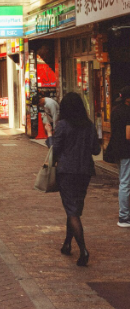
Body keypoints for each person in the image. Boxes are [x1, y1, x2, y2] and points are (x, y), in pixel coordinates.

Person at [45, 92, 100, 266]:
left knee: (72, 211)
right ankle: (67, 244)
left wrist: (49, 134)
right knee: (74, 209)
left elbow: (55, 148)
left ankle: (83, 249)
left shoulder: (62, 125)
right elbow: (96, 150)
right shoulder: (89, 125)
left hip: (67, 172)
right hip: (84, 171)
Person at [108, 86, 130, 228]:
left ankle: (124, 215)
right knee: (125, 182)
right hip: (126, 150)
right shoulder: (128, 112)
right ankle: (124, 216)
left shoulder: (115, 111)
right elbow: (128, 135)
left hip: (115, 149)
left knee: (124, 181)